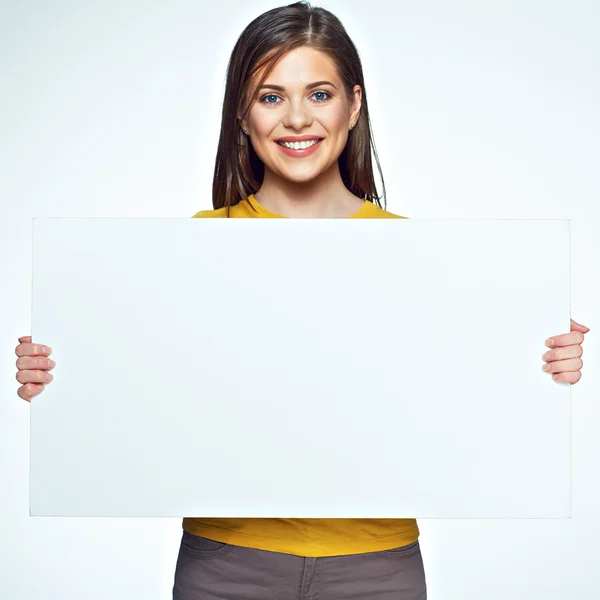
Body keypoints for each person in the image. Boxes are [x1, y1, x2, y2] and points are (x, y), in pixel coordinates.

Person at [15, 2, 590, 599]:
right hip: (227, 565)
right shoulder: (190, 247)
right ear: (242, 111)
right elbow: (139, 392)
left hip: (378, 566)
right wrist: (62, 373)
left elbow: (468, 401)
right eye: (270, 97)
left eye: (319, 94)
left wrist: (541, 364)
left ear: (354, 104)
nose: (296, 119)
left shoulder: (420, 256)